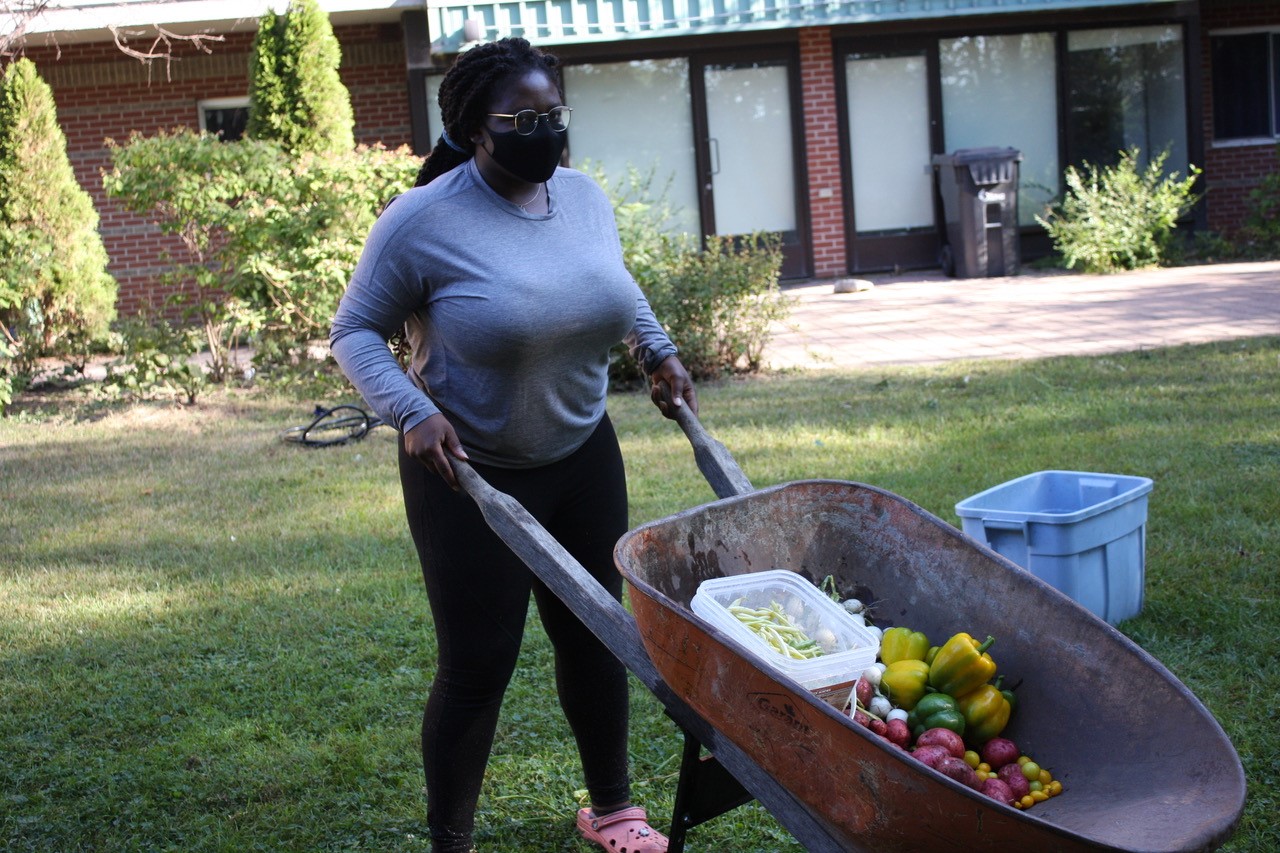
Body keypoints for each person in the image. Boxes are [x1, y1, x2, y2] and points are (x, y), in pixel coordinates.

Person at [330, 36, 695, 853]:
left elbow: (613, 282)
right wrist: (408, 411)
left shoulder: (584, 197)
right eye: (522, 119)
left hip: (582, 453)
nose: (545, 131)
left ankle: (613, 811)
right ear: (474, 128)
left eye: (554, 115)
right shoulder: (422, 219)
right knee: (479, 662)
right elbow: (354, 330)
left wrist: (657, 348)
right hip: (469, 474)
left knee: (599, 630)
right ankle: (451, 841)